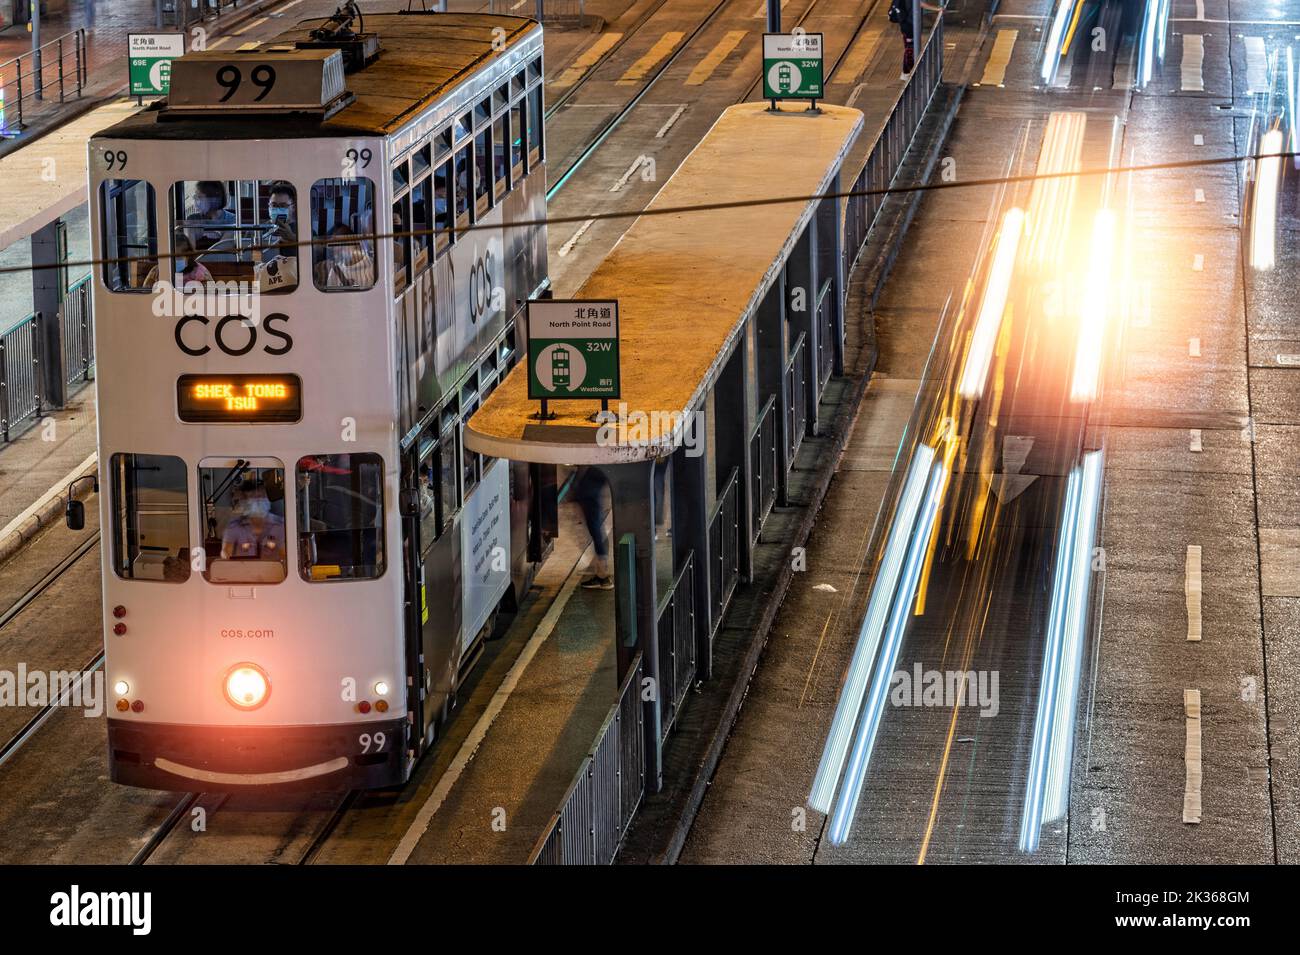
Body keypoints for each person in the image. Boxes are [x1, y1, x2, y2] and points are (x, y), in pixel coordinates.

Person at [221, 483, 286, 563]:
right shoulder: (234, 527)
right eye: (253, 497)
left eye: (262, 496)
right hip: (243, 572)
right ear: (245, 502)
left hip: (273, 573)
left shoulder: (281, 526)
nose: (259, 501)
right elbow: (226, 554)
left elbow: (285, 555)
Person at [572, 466, 613, 590]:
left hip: (596, 474)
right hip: (596, 474)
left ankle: (603, 576)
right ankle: (599, 567)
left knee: (595, 526)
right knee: (595, 526)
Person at [315, 223, 376, 289]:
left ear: (353, 241)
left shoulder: (372, 267)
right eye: (333, 246)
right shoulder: (334, 272)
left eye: (340, 244)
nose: (336, 249)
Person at [145, 232, 212, 288]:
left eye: (178, 256)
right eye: (171, 257)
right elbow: (145, 291)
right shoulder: (157, 271)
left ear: (188, 255)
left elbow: (211, 293)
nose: (174, 260)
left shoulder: (200, 272)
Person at [890, 0, 916, 75]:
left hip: (905, 24)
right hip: (909, 25)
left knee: (909, 48)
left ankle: (906, 72)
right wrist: (937, 9)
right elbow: (920, 4)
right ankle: (907, 72)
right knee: (910, 49)